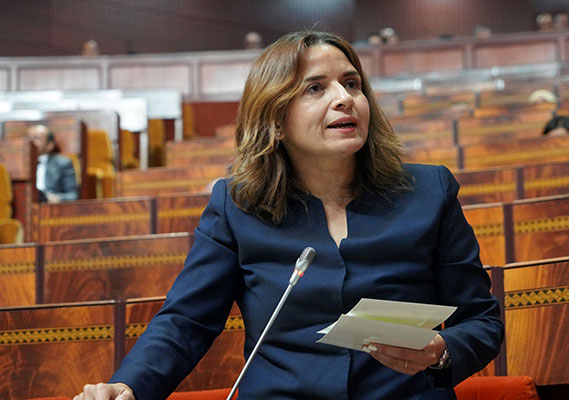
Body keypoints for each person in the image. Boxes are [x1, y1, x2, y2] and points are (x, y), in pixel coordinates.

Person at [74, 31, 503, 400]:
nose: (344, 99)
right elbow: (187, 320)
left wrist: (440, 351)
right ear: (275, 121)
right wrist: (129, 386)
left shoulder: (429, 192)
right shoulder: (237, 205)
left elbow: (482, 321)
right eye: (315, 88)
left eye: (352, 84)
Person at [27, 124, 78, 203]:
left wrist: (56, 198)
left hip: (49, 205)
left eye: (36, 138)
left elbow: (73, 195)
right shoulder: (19, 165)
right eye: (28, 138)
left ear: (49, 145)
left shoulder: (63, 163)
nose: (30, 142)